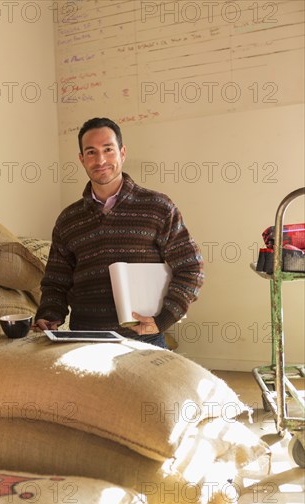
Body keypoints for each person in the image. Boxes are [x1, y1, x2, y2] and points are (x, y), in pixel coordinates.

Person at [34, 117, 204, 348]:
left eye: (108, 149)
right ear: (82, 159)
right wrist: (50, 315)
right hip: (84, 341)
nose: (101, 159)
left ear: (122, 153)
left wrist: (163, 319)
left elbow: (190, 267)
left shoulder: (158, 207)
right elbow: (56, 281)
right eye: (91, 152)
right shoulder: (68, 220)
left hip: (145, 339)